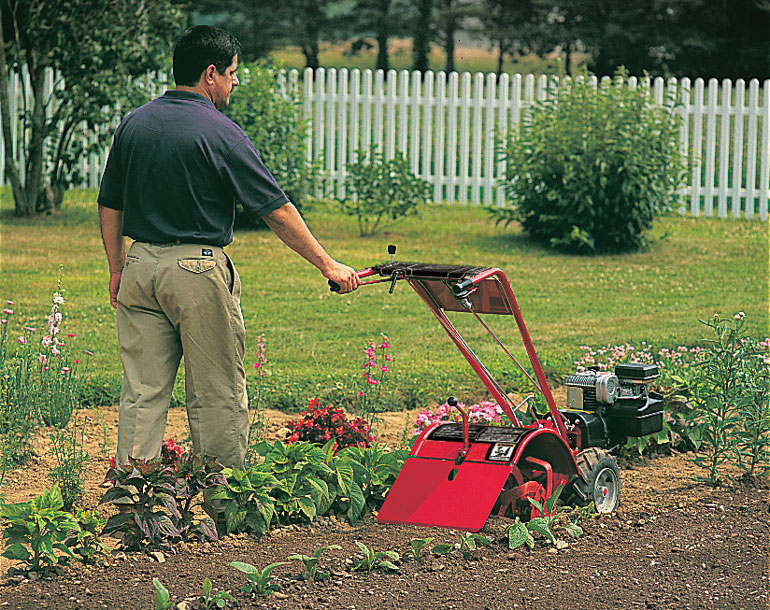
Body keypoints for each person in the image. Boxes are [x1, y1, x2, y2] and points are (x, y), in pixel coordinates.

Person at [98, 25, 360, 480]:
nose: (236, 82)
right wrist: (329, 264)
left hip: (140, 267)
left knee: (142, 393)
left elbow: (109, 203)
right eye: (233, 73)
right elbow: (276, 212)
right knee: (216, 391)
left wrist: (117, 268)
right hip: (196, 271)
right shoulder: (222, 133)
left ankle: (132, 504)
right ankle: (226, 503)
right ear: (210, 73)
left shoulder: (134, 123)